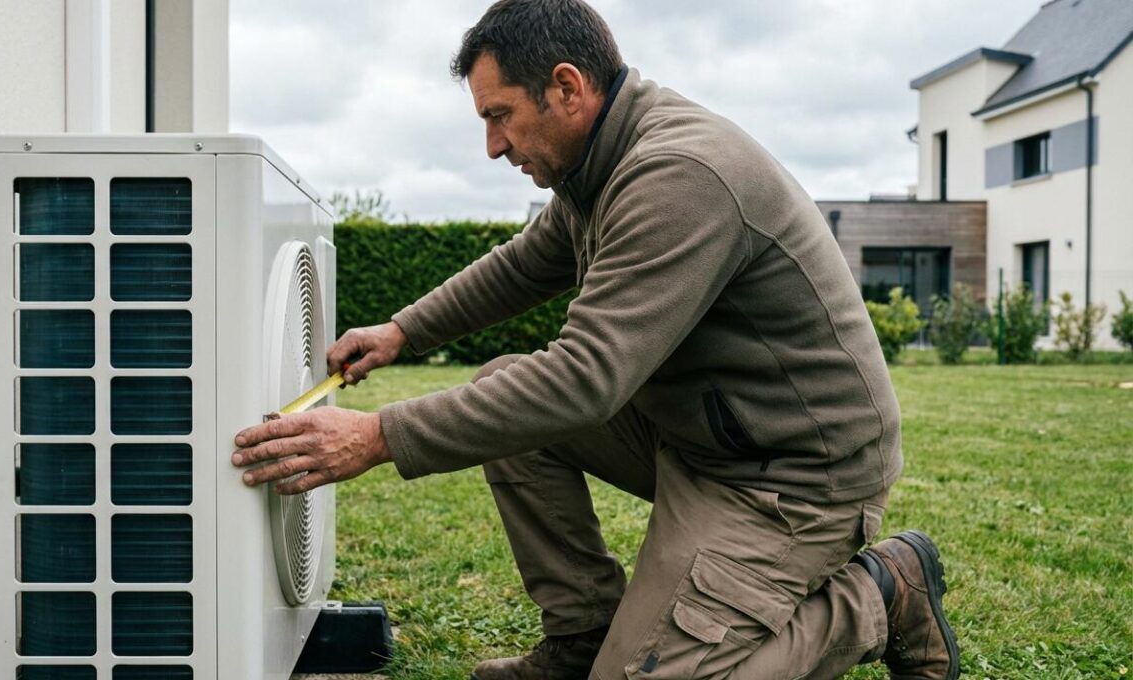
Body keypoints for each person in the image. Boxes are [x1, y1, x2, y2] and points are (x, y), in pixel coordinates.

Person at [230, 1, 959, 678]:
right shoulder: (595, 165)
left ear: (567, 88)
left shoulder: (677, 176)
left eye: (500, 116)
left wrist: (378, 435)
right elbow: (523, 265)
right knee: (502, 396)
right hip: (704, 436)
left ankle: (881, 595)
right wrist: (401, 331)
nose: (492, 145)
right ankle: (583, 635)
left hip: (793, 474)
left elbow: (585, 379)